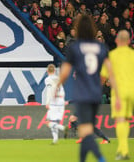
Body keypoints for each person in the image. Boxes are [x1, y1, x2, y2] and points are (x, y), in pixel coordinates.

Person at [56, 15, 120, 162]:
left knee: (86, 131)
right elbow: (109, 71)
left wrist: (57, 86)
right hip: (95, 94)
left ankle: (101, 159)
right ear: (93, 29)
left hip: (83, 94)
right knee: (86, 129)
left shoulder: (75, 47)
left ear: (78, 29)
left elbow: (65, 72)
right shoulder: (101, 47)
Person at [101, 30, 134, 160]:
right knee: (126, 119)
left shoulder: (112, 56)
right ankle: (122, 148)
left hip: (119, 92)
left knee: (120, 120)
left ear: (116, 41)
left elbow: (103, 77)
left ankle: (123, 150)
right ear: (129, 41)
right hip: (132, 91)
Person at [44, 64, 68, 144]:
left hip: (54, 101)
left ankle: (62, 128)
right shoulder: (59, 78)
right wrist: (63, 100)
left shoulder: (48, 79)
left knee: (48, 121)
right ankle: (55, 140)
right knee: (55, 121)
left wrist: (47, 102)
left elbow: (49, 91)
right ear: (55, 70)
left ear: (47, 71)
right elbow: (62, 90)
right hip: (61, 101)